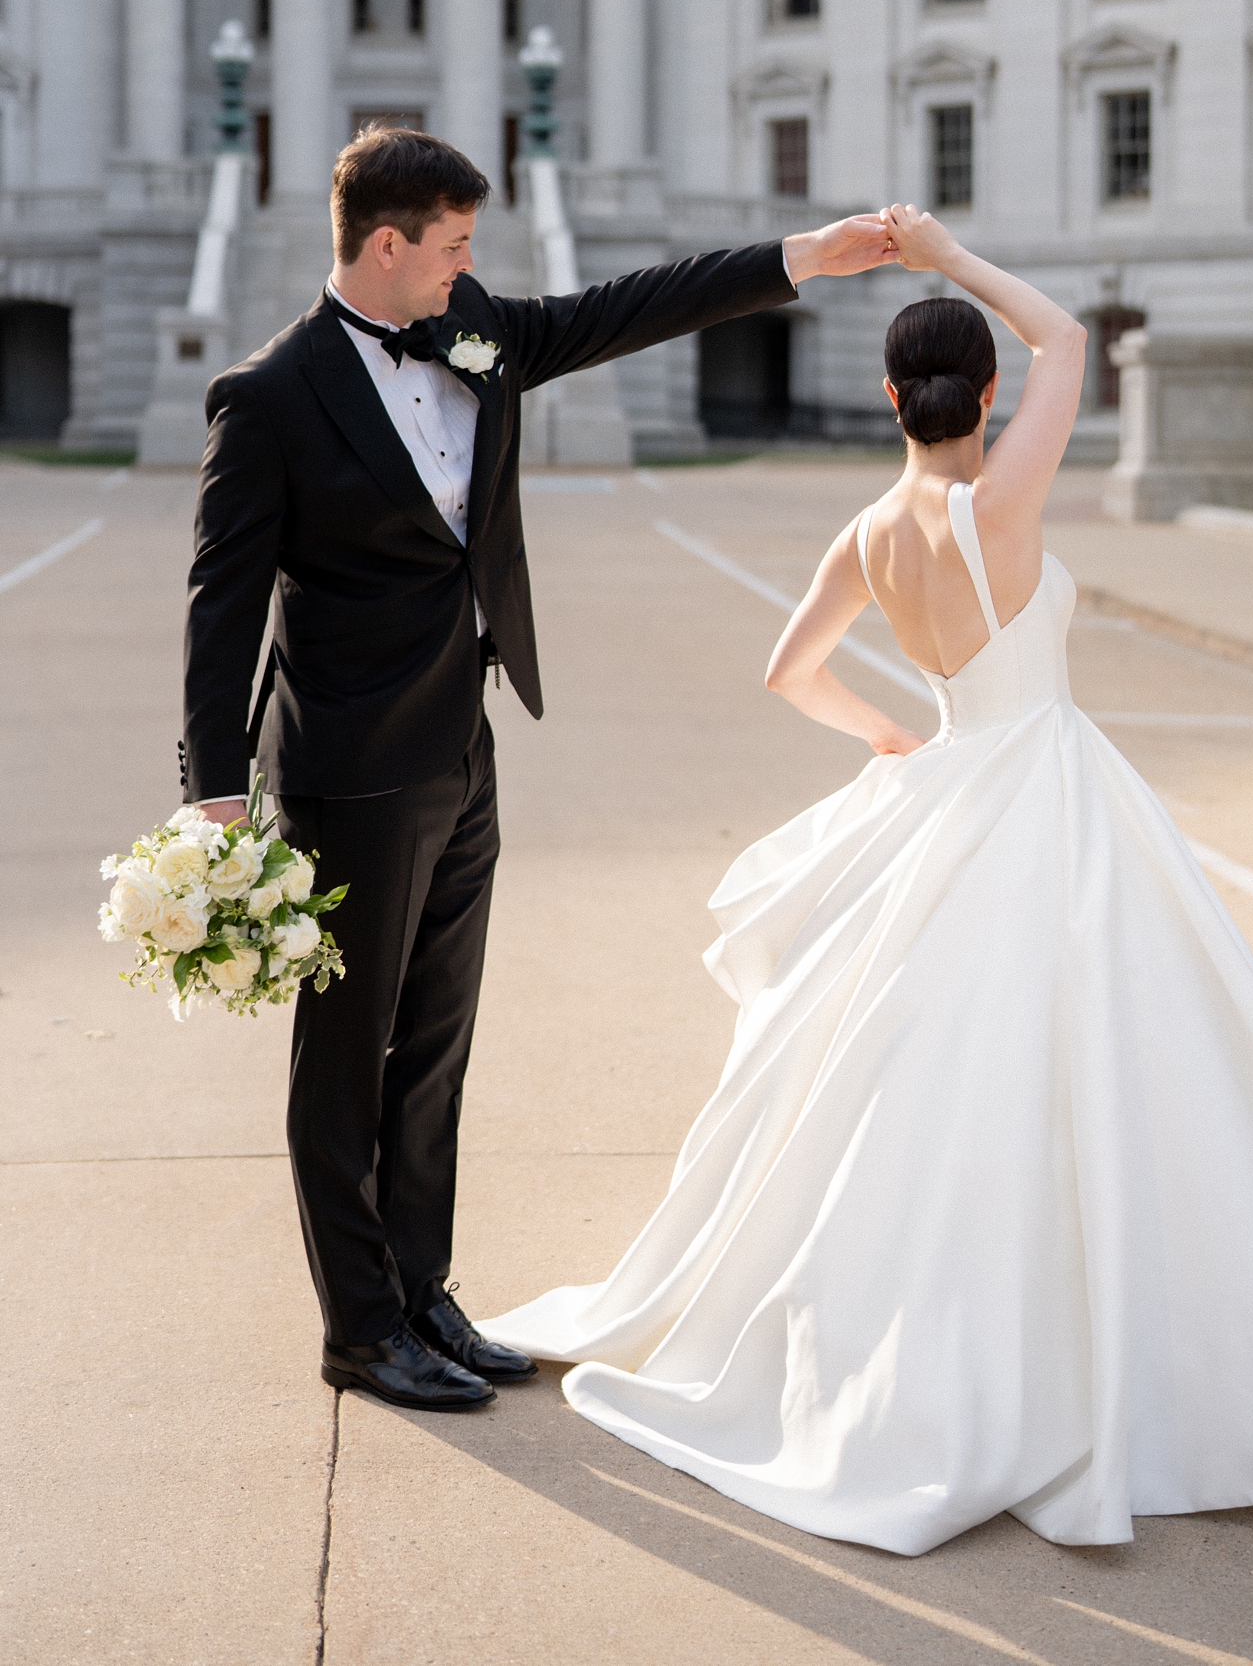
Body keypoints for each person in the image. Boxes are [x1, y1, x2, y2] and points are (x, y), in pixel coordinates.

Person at [485, 203, 1253, 1553]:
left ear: (890, 395)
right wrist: (951, 256)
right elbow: (1071, 333)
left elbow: (790, 673)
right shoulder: (1001, 501)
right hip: (1057, 791)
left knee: (938, 1085)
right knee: (1152, 1067)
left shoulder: (869, 533)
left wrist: (892, 734)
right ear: (988, 392)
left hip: (957, 781)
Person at [180, 122, 900, 1413]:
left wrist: (807, 255)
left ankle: (420, 1286)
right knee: (345, 1060)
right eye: (455, 244)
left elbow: (631, 305)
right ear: (388, 245)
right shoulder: (270, 395)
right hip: (347, 768)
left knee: (438, 1041)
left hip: (464, 740)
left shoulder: (473, 330)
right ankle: (358, 1327)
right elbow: (220, 606)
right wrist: (218, 795)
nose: (472, 265)